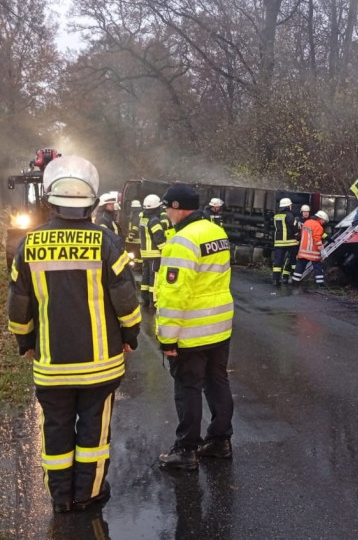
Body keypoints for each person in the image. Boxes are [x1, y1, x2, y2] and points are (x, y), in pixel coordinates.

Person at [7, 155, 140, 513]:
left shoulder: (30, 245)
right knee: (94, 435)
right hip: (100, 366)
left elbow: (18, 306)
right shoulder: (107, 243)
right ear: (92, 202)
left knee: (56, 431)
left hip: (52, 366)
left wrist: (26, 341)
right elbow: (126, 300)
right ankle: (89, 493)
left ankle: (61, 497)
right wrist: (132, 334)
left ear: (50, 200)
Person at [156, 183, 235, 470]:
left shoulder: (182, 241)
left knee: (188, 387)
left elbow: (174, 294)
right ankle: (220, 441)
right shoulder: (216, 232)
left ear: (177, 207)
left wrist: (167, 338)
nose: (165, 213)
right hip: (220, 326)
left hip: (191, 331)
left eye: (167, 207)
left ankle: (186, 450)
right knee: (217, 382)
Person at [139, 194, 167, 307]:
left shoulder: (143, 218)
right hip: (155, 254)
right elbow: (159, 238)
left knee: (145, 277)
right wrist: (165, 250)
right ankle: (154, 301)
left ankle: (145, 299)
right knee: (154, 277)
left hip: (145, 253)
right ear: (156, 207)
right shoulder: (154, 220)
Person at [291, 210, 329, 287]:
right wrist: (322, 250)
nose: (323, 223)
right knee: (317, 266)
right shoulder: (318, 226)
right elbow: (317, 239)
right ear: (320, 218)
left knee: (300, 266)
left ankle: (295, 281)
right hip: (313, 251)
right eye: (323, 221)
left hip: (303, 250)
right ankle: (320, 284)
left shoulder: (306, 223)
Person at [272, 197, 299, 286]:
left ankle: (276, 280)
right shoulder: (289, 215)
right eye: (290, 205)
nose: (291, 207)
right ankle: (294, 279)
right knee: (293, 260)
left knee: (278, 261)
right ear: (288, 206)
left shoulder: (276, 216)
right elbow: (294, 227)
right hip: (291, 242)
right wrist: (297, 234)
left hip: (279, 242)